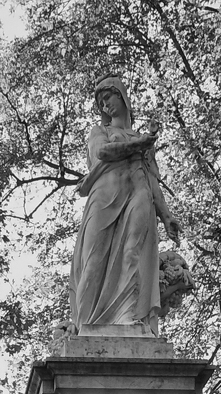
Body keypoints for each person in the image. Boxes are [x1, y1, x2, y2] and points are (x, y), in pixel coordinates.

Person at [69, 75, 181, 333]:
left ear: (121, 95)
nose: (105, 105)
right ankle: (86, 326)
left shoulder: (143, 140)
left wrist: (166, 216)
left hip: (139, 193)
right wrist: (140, 144)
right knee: (93, 259)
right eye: (100, 102)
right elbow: (103, 153)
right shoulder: (101, 132)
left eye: (108, 97)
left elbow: (152, 179)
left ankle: (128, 315)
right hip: (106, 197)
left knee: (134, 253)